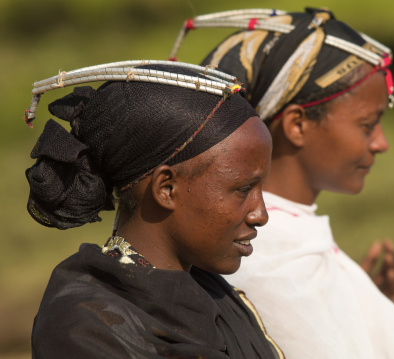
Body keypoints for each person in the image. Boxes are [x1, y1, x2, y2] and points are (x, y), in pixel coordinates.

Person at [169, 8, 394, 358]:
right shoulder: (263, 257)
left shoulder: (290, 240)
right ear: (297, 125)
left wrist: (366, 308)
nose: (381, 143)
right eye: (367, 125)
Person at [25, 61, 284, 359]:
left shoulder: (217, 297)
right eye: (242, 190)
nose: (260, 215)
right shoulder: (84, 329)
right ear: (166, 189)